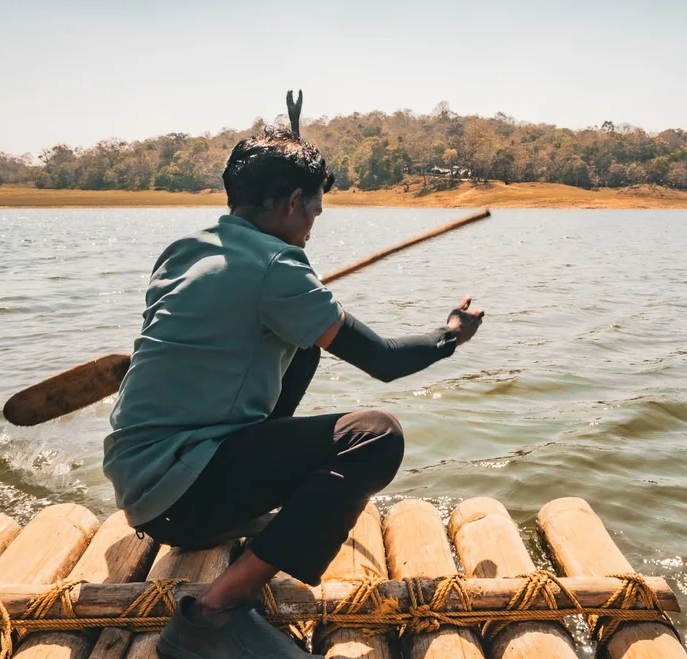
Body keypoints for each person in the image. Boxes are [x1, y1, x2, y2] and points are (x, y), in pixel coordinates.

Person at [103, 129, 484, 659]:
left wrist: (298, 295)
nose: (310, 227)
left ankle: (237, 514)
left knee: (303, 347)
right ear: (289, 202)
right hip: (180, 502)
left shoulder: (185, 250)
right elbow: (385, 360)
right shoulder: (277, 266)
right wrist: (450, 334)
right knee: (375, 436)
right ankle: (214, 614)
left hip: (139, 489)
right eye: (313, 212)